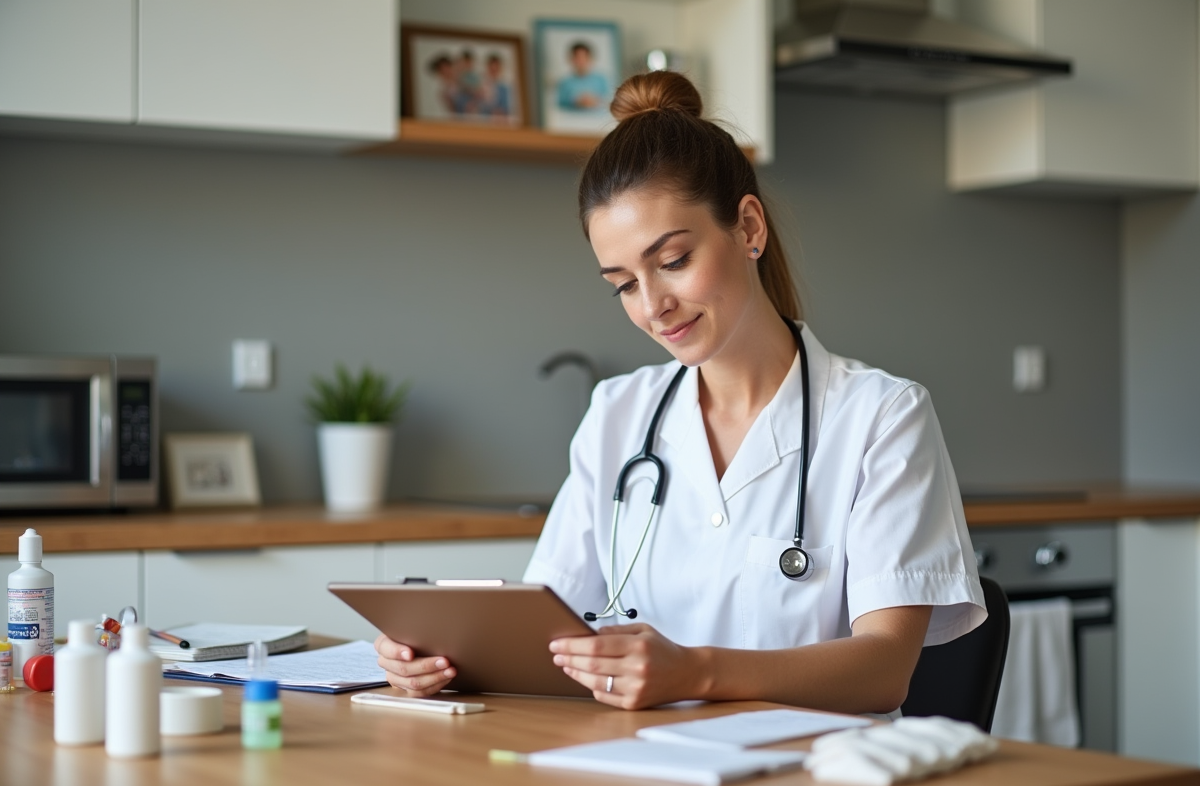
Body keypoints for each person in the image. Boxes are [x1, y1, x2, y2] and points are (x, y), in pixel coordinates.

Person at [375, 71, 986, 714]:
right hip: (638, 764)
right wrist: (446, 662)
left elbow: (884, 669)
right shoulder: (618, 414)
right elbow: (546, 633)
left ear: (748, 227)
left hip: (811, 773)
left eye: (672, 261)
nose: (653, 307)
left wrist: (695, 673)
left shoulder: (881, 415)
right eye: (623, 284)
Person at [556, 41, 609, 111]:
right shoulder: (565, 82)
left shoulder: (601, 80)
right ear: (571, 59)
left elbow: (609, 100)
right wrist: (575, 101)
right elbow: (560, 103)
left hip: (597, 119)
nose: (581, 61)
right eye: (578, 58)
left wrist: (595, 100)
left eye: (584, 57)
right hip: (572, 119)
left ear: (590, 58)